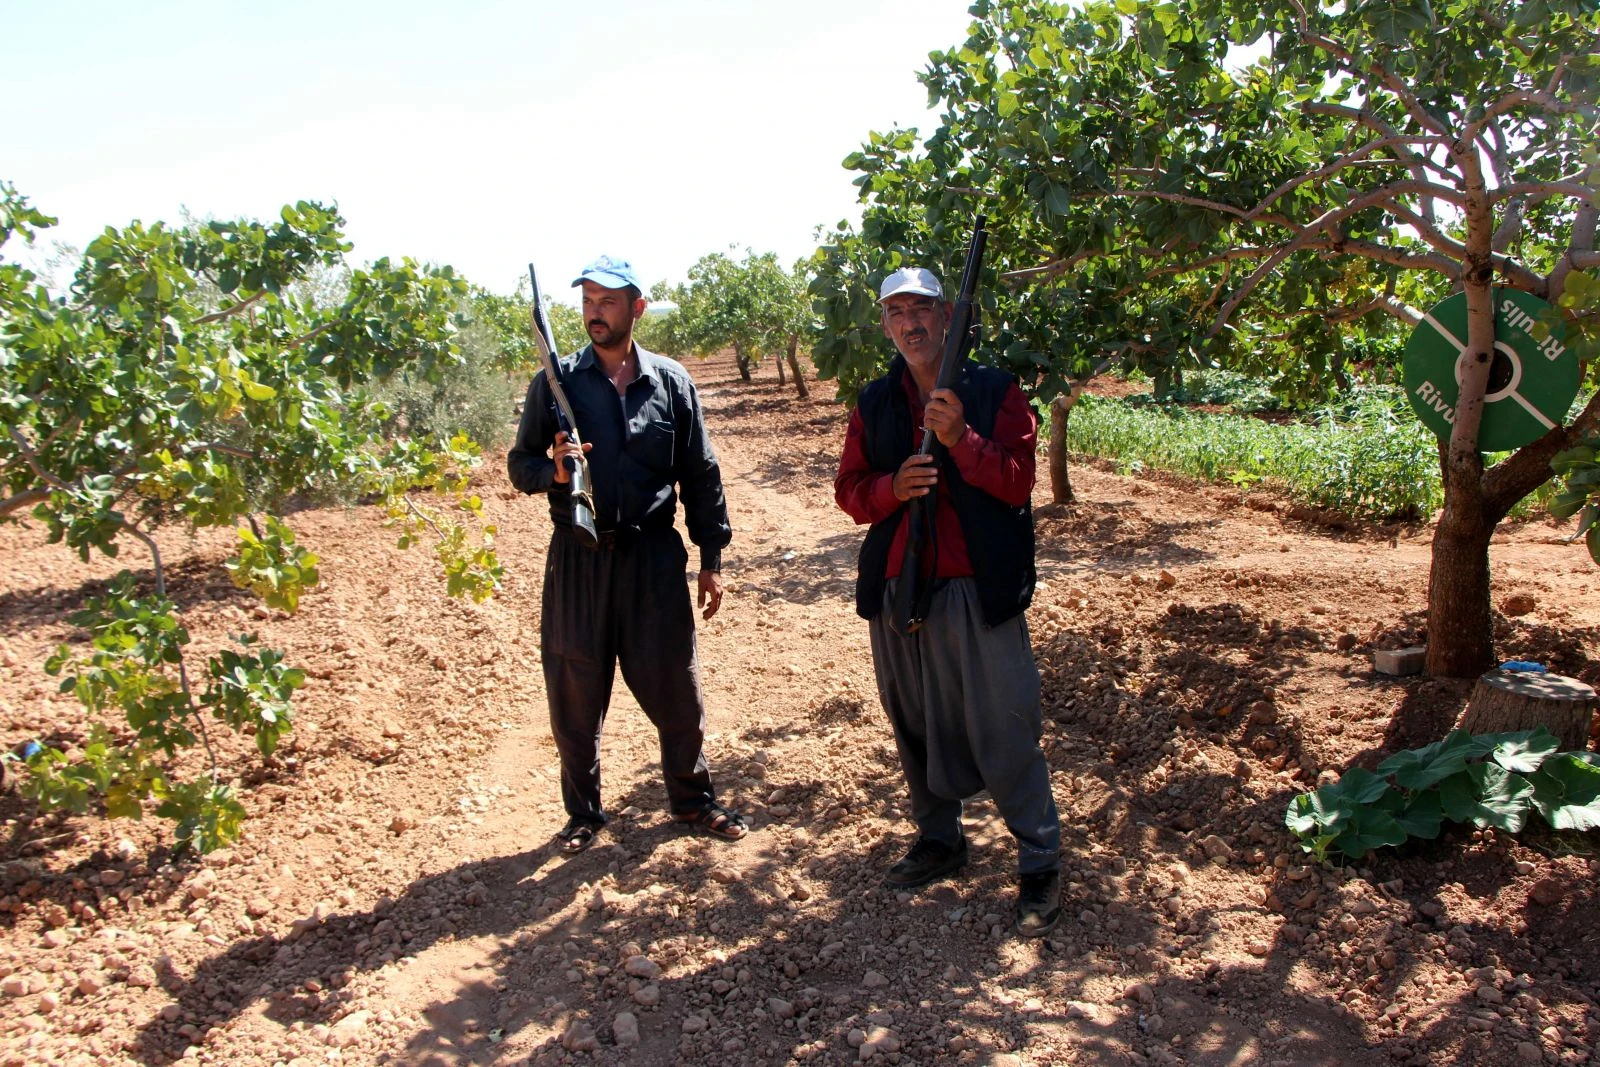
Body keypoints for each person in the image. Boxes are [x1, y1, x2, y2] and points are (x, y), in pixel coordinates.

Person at [834, 265, 1063, 937]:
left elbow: (1019, 482)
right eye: (896, 311)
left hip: (976, 588)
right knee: (913, 718)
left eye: (923, 309)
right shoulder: (874, 402)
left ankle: (1041, 859)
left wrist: (964, 440)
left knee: (1004, 722)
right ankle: (941, 838)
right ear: (884, 325)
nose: (911, 322)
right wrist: (890, 488)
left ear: (948, 316)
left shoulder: (994, 391)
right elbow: (850, 489)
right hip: (899, 587)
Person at [507, 254, 745, 854]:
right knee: (575, 694)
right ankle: (584, 815)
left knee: (677, 688)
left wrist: (710, 555)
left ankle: (694, 801)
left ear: (636, 307)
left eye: (608, 302)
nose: (595, 313)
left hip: (653, 559)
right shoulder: (555, 382)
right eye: (587, 301)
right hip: (579, 560)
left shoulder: (671, 383)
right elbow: (520, 465)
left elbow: (702, 472)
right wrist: (554, 473)